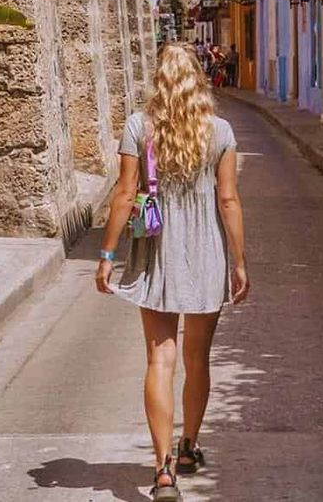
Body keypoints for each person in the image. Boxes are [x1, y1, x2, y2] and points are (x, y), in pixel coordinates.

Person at [95, 44, 249, 501]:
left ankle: (163, 472)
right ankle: (188, 447)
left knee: (159, 360)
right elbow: (228, 200)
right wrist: (239, 261)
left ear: (158, 82)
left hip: (156, 254)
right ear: (199, 80)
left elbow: (125, 196)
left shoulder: (139, 128)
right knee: (197, 359)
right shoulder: (220, 131)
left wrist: (107, 256)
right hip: (206, 255)